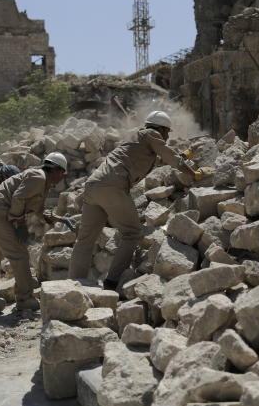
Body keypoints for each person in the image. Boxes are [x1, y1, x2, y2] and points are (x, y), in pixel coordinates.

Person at [68, 111, 195, 291]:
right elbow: (169, 157)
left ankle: (73, 285)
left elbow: (159, 159)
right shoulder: (151, 134)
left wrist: (182, 157)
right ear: (160, 128)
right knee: (131, 233)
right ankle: (112, 283)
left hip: (93, 186)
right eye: (167, 132)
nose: (166, 136)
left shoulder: (137, 139)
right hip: (112, 187)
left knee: (85, 240)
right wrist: (193, 173)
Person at [0, 152, 68, 310]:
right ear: (56, 169)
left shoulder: (42, 181)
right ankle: (25, 299)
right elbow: (18, 198)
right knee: (19, 255)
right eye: (62, 173)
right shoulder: (39, 178)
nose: (62, 177)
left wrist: (49, 218)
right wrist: (18, 223)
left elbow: (36, 208)